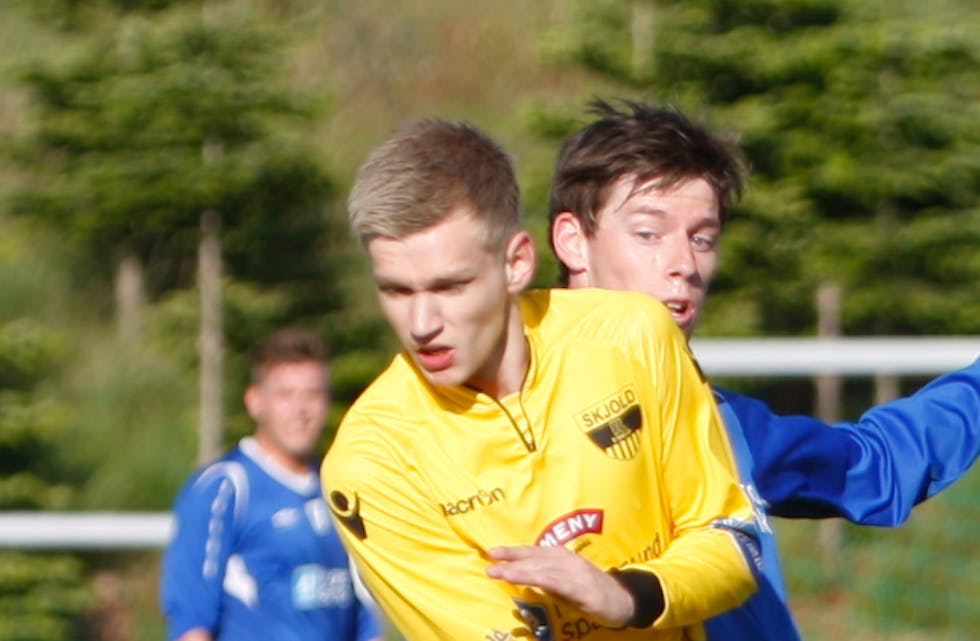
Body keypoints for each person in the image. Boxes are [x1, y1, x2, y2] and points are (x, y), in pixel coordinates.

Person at [548, 98, 980, 640]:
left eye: (701, 237)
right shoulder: (494, 421)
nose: (683, 263)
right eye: (648, 234)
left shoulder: (719, 422)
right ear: (573, 241)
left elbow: (877, 467)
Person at [322, 118, 762, 641]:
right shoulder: (371, 460)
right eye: (396, 291)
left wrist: (624, 597)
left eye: (451, 286)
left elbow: (732, 539)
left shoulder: (634, 337)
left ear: (517, 263)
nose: (421, 324)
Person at [160, 329, 383, 641]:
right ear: (255, 402)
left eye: (312, 394)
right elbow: (190, 620)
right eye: (285, 395)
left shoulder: (339, 489)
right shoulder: (225, 487)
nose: (300, 409)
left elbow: (363, 617)